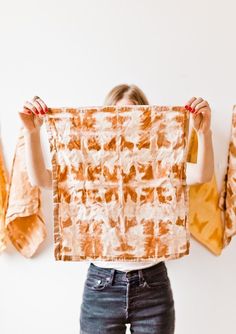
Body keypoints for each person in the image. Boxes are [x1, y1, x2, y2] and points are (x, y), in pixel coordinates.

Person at [18, 84, 214, 334]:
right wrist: (31, 133)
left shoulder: (160, 160)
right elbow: (42, 180)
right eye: (117, 118)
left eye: (132, 118)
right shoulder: (90, 162)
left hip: (153, 286)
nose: (124, 128)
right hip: (101, 288)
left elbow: (202, 174)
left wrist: (203, 132)